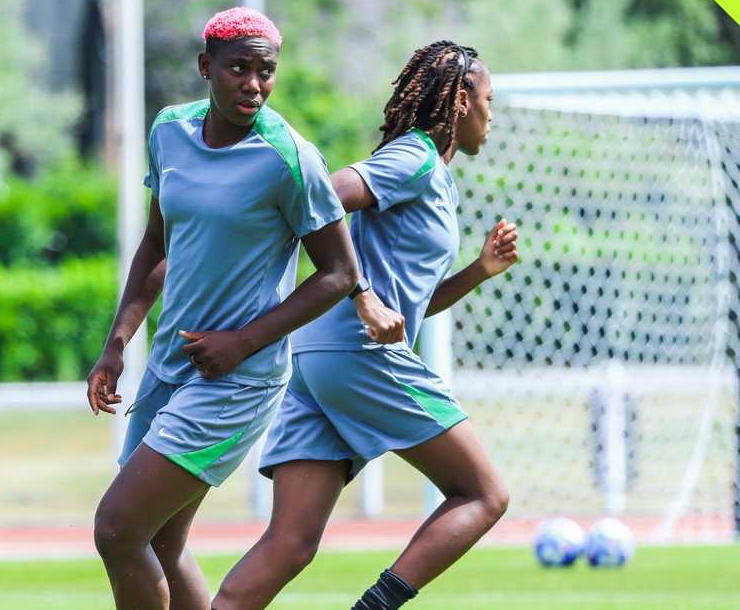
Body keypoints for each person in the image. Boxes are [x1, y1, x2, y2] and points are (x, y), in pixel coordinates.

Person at [212, 41, 518, 610]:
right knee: (483, 495)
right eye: (487, 100)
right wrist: (361, 296)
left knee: (292, 543)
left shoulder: (437, 177)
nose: (491, 115)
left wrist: (479, 270)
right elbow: (321, 196)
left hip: (318, 356)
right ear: (458, 100)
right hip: (356, 351)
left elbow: (412, 309)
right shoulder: (416, 157)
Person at [85, 7, 361, 609]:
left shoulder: (289, 157)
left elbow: (340, 274)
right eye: (239, 69)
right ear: (206, 66)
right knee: (158, 541)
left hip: (238, 381)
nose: (254, 85)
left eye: (266, 72)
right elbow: (158, 242)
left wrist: (242, 342)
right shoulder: (169, 132)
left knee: (118, 528)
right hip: (168, 366)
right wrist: (117, 343)